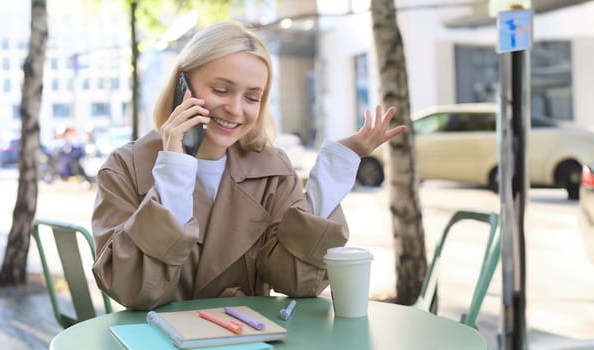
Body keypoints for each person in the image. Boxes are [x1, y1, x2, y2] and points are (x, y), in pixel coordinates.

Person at [90, 21, 406, 310]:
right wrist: (175, 170)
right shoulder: (125, 167)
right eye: (221, 90)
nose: (235, 109)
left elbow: (298, 281)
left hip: (247, 336)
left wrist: (332, 174)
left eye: (252, 97)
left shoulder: (273, 169)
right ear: (182, 87)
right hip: (156, 339)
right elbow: (129, 288)